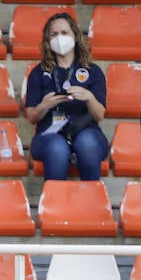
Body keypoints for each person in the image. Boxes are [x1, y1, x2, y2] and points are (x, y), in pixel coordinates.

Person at [23, 12, 109, 181]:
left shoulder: (93, 71)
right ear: (47, 41)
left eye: (64, 33)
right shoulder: (38, 72)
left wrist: (89, 97)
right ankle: (55, 204)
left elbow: (100, 115)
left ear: (75, 36)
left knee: (88, 144)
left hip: (86, 130)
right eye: (54, 34)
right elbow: (32, 116)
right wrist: (45, 105)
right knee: (57, 147)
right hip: (49, 133)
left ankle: (91, 202)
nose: (59, 38)